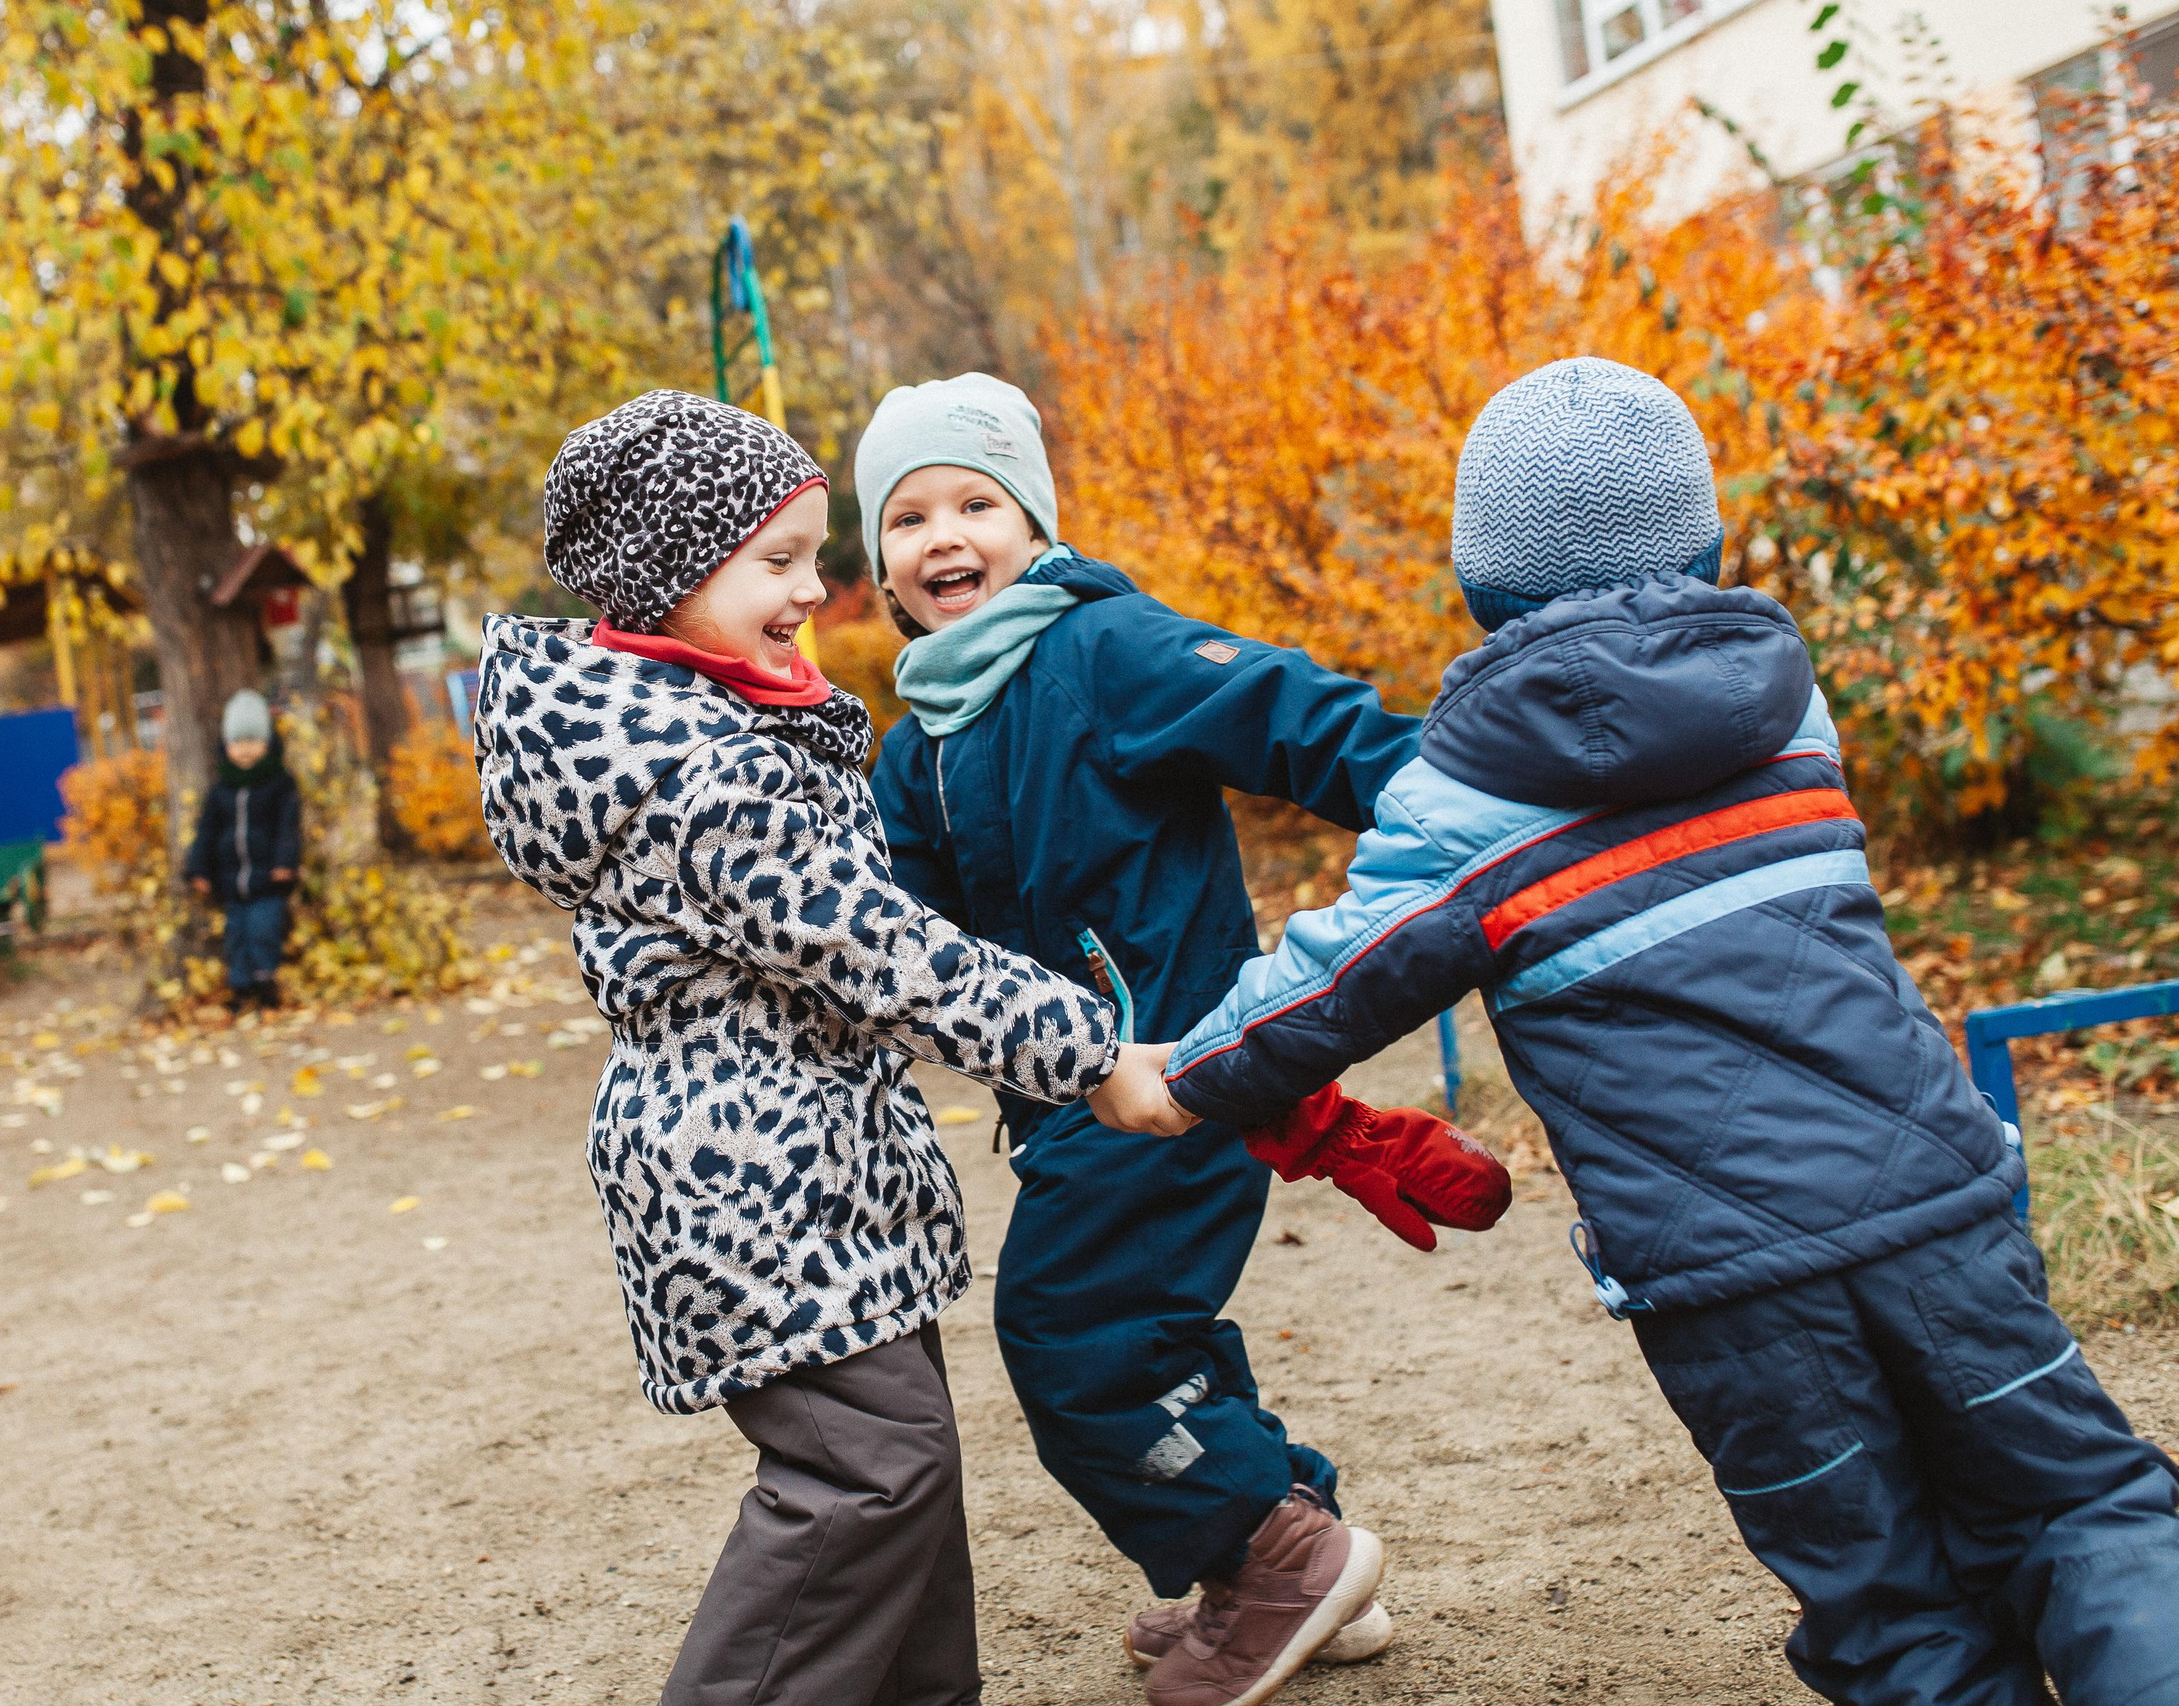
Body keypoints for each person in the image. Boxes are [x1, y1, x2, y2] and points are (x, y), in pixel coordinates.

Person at [1159, 356, 2179, 1706]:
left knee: (1884, 1596)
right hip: (1940, 1204)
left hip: (1733, 1292)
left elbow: (1328, 985)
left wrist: (1180, 1076)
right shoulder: (1787, 708)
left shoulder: (1466, 798)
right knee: (2086, 1503)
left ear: (1478, 585)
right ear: (1705, 544)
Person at [474, 389, 1186, 1706]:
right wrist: (1092, 1051)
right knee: (870, 1468)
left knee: (907, 1470)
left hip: (810, 1162)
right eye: (778, 559)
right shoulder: (703, 772)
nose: (816, 588)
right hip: (742, 1172)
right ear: (670, 570)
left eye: (817, 552)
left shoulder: (717, 722)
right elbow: (876, 947)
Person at [857, 371, 1506, 1706]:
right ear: (879, 561)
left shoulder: (1102, 648)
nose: (944, 536)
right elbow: (890, 933)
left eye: (976, 500)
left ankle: (1279, 1554)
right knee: (1142, 1323)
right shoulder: (918, 742)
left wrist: (1473, 807)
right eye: (907, 516)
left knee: (1069, 1332)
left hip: (1183, 1071)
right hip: (1072, 1097)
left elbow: (1291, 713)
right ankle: (1286, 1559)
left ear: (1035, 523)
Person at [184, 689, 301, 1012]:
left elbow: (288, 828)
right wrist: (198, 869)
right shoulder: (222, 788)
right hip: (230, 882)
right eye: (238, 742)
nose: (246, 750)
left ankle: (265, 985)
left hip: (267, 881)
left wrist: (284, 863)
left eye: (253, 741)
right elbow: (206, 831)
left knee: (263, 931)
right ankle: (240, 987)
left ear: (267, 743)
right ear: (227, 746)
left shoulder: (279, 784)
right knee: (235, 936)